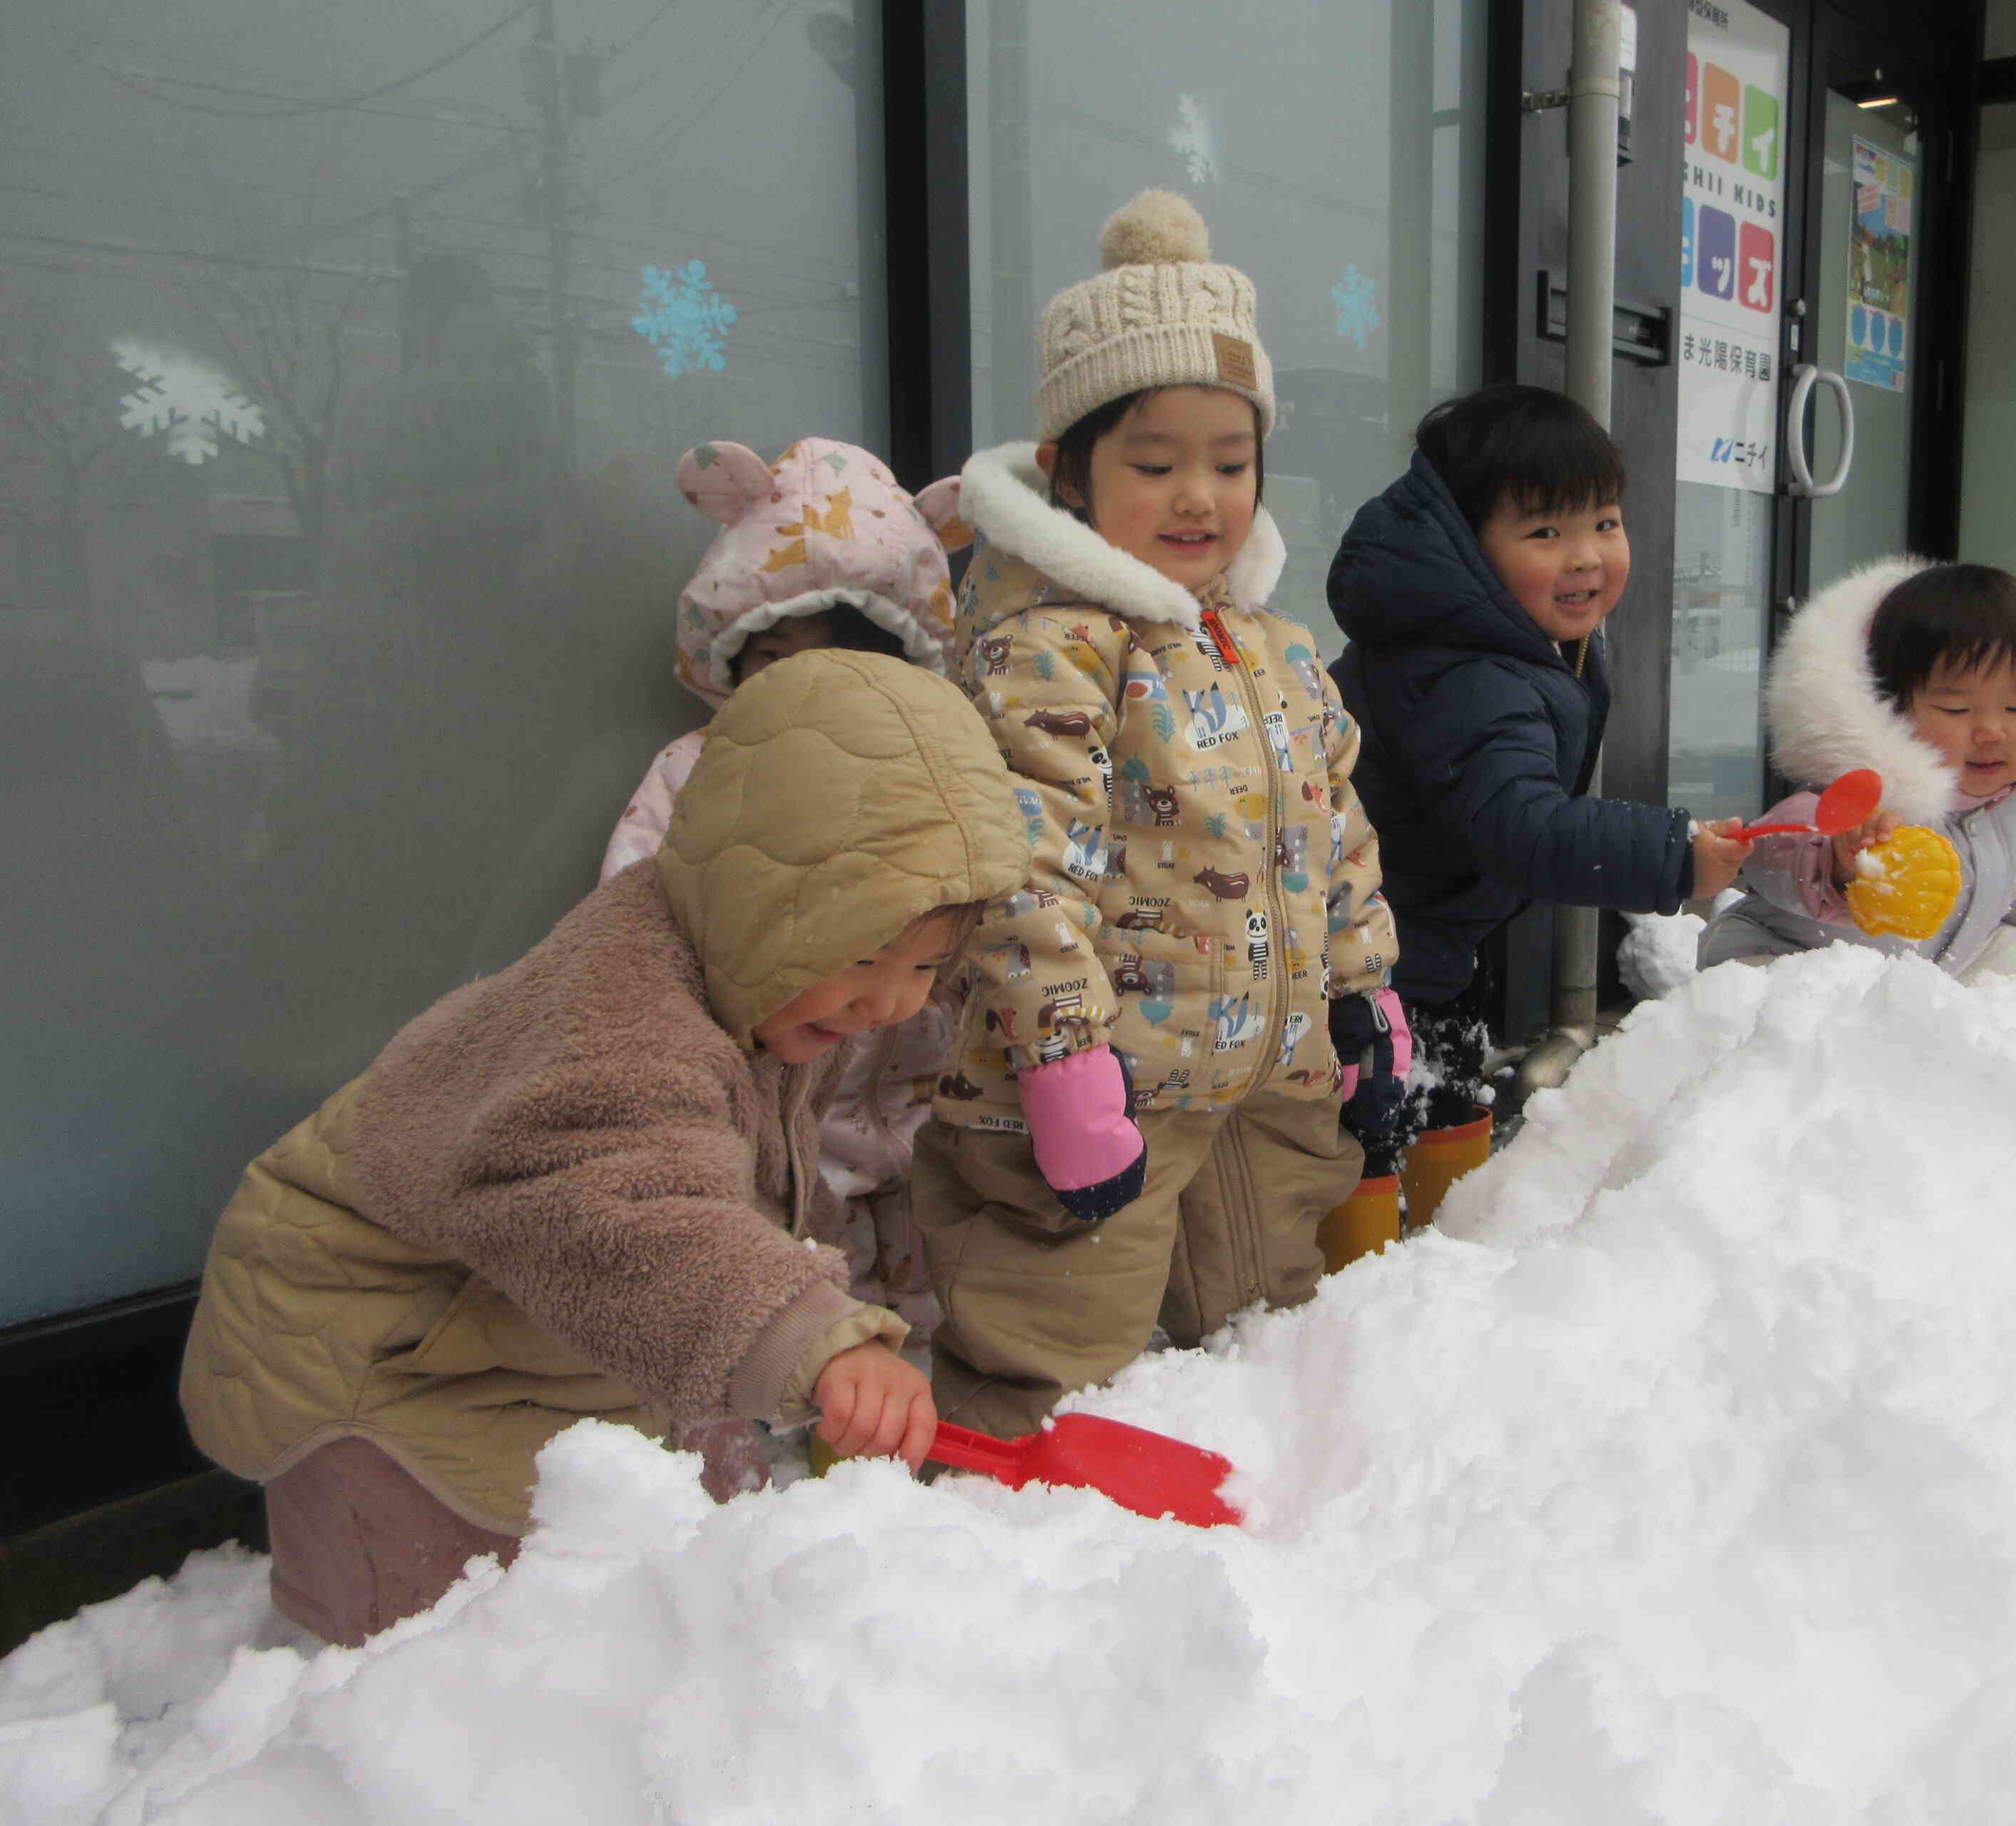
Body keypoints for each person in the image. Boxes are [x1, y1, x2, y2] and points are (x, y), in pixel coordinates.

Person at [179, 653, 1027, 1646]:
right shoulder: (624, 1022)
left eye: (927, 964)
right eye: (863, 956)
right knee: (463, 1631)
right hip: (387, 1349)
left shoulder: (751, 982)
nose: (894, 1001)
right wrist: (814, 1339)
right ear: (763, 906)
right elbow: (620, 1207)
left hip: (519, 1301)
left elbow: (729, 1179)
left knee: (691, 1502)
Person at [912, 189, 1405, 1438]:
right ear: (1071, 476)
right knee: (1049, 1347)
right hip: (1101, 1095)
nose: (1200, 495)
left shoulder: (1275, 647)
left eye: (1230, 462)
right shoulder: (1052, 648)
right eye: (1153, 462)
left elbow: (1333, 836)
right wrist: (1064, 1064)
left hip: (1261, 1083)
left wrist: (1365, 993)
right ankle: (984, 1533)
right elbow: (1020, 866)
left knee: (1255, 1334)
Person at [601, 437, 966, 1370]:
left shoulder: (934, 777)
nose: (805, 692)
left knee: (934, 1301)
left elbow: (997, 900)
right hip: (774, 1126)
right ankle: (785, 1449)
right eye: (773, 660)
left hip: (926, 1110)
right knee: (784, 1319)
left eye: (842, 662)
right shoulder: (701, 775)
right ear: (731, 666)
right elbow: (630, 921)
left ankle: (920, 1436)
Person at [1325, 384, 1756, 1152]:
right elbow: (1516, 824)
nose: (1587, 556)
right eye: (1546, 531)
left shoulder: (1520, 640)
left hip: (1422, 939)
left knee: (1440, 1112)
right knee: (1391, 1142)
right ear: (1469, 545)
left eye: (1605, 522)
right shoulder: (1462, 672)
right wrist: (1672, 856)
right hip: (1371, 961)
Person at [1696, 558, 2016, 1057]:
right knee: (1792, 1030)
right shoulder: (1861, 799)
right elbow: (1773, 852)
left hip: (1940, 964)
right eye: (1957, 710)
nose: (1991, 731)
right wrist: (1837, 862)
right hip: (1794, 966)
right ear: (1890, 708)